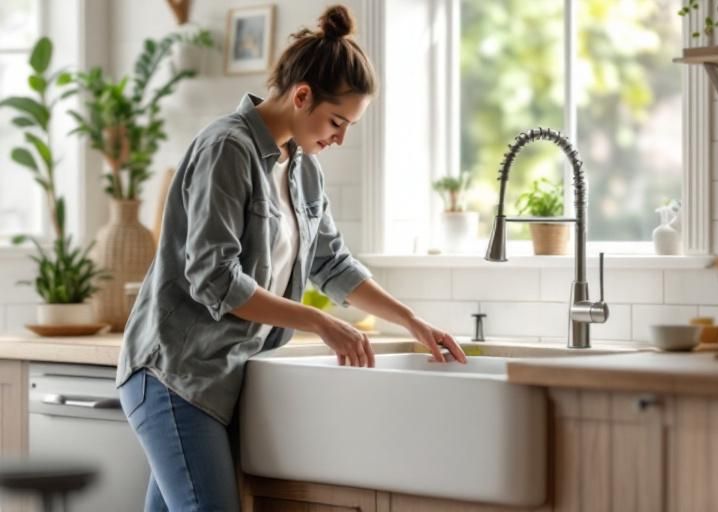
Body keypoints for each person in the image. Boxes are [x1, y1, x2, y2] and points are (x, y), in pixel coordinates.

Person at [116, 4, 467, 511]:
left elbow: (332, 264)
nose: (340, 138)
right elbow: (214, 279)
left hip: (220, 381)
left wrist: (412, 322)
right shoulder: (227, 149)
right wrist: (319, 323)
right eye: (336, 121)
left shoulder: (303, 170)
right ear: (302, 96)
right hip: (175, 375)